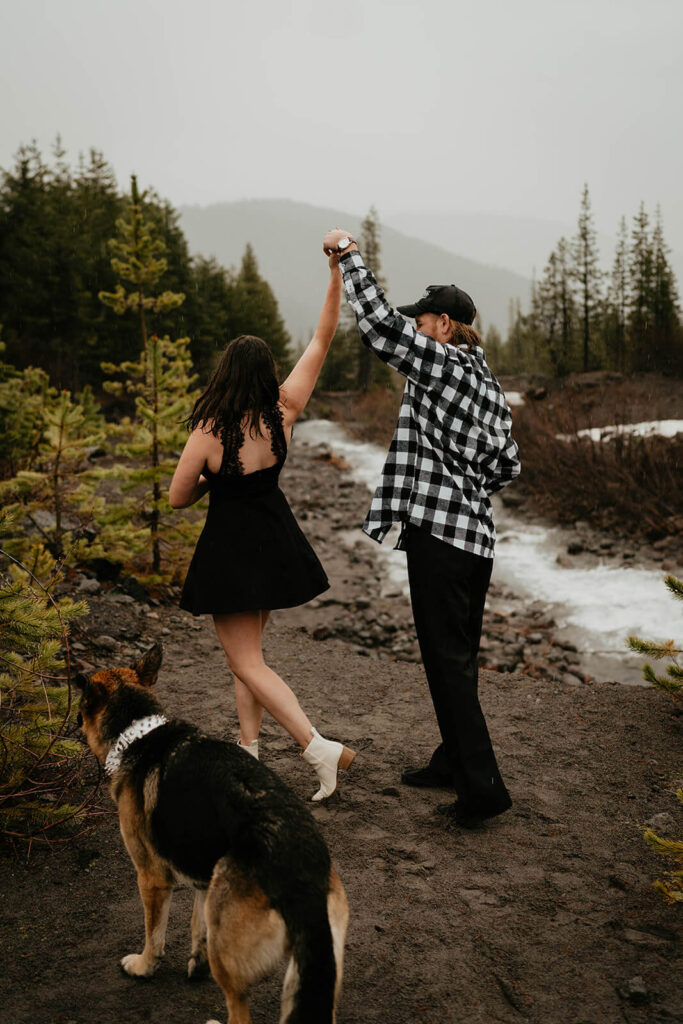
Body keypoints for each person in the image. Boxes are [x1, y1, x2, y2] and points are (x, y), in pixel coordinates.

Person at [322, 228, 520, 828]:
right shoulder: (487, 382)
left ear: (440, 324)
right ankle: (452, 760)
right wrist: (467, 486)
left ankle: (483, 788)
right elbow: (508, 463)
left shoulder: (443, 366)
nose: (416, 327)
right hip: (476, 540)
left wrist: (350, 255)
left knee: (448, 662)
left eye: (423, 319)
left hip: (441, 536)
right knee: (453, 659)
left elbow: (380, 326)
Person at [169, 254, 355, 801]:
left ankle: (318, 748)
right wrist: (335, 274)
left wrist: (214, 479)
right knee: (248, 660)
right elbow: (321, 339)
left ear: (224, 373)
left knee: (245, 660)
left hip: (229, 547)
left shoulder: (209, 428)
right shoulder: (284, 410)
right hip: (274, 541)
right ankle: (248, 754)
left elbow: (178, 497)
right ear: (266, 373)